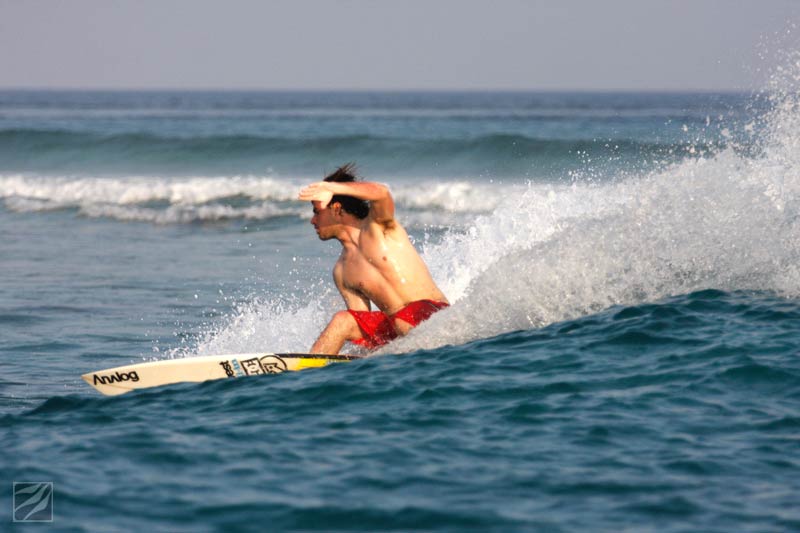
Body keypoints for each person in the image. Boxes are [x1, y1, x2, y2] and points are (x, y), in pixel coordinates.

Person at [298, 164, 449, 354]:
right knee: (343, 320)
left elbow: (382, 193)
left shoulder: (379, 227)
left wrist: (331, 188)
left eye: (316, 212)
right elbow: (362, 323)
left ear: (336, 209)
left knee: (401, 319)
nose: (313, 221)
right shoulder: (341, 271)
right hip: (399, 332)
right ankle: (309, 366)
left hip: (433, 316)